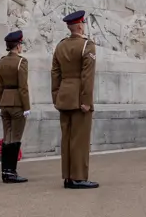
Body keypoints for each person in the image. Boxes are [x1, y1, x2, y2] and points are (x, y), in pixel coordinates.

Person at [51, 10, 98, 189]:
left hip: (64, 96)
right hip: (79, 97)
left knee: (67, 139)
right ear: (80, 25)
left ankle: (68, 177)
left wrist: (56, 96)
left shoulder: (60, 46)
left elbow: (55, 73)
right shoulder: (87, 45)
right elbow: (87, 76)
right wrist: (86, 100)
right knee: (80, 140)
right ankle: (78, 177)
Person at [0, 29, 30, 183]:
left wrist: (1, 101)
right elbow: (23, 87)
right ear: (18, 46)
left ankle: (5, 171)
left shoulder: (2, 61)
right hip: (17, 102)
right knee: (15, 137)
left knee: (7, 137)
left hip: (5, 101)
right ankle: (11, 172)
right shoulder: (21, 62)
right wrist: (26, 107)